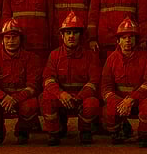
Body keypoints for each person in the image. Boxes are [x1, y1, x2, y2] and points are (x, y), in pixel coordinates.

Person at [0, 18, 43, 146]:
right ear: (2, 40)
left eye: (14, 37)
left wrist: (14, 99)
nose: (11, 41)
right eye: (7, 37)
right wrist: (3, 97)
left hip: (21, 98)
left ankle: (22, 131)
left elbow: (32, 86)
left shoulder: (31, 58)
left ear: (21, 39)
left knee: (32, 105)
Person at [41, 11, 102, 145]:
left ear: (80, 35)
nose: (71, 36)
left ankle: (85, 130)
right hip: (62, 98)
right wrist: (61, 94)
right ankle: (54, 132)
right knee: (46, 98)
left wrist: (79, 97)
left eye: (75, 33)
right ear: (62, 35)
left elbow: (94, 82)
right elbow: (48, 79)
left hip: (81, 98)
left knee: (92, 102)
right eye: (68, 33)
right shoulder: (54, 55)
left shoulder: (90, 56)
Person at [100, 17, 147, 147]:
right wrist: (119, 102)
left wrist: (131, 99)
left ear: (136, 40)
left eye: (131, 37)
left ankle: (144, 134)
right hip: (120, 103)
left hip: (139, 100)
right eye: (124, 37)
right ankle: (119, 130)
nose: (127, 40)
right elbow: (105, 88)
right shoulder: (111, 59)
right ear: (118, 40)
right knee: (107, 111)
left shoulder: (146, 57)